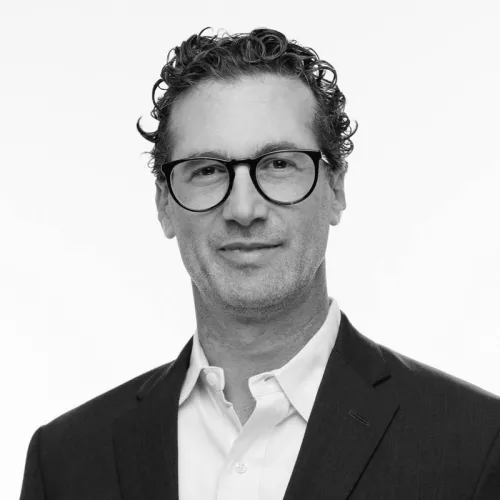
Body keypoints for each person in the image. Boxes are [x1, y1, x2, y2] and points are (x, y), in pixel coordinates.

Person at [20, 27, 500, 500]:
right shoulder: (64, 461)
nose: (244, 209)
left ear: (336, 188)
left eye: (278, 164)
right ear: (164, 204)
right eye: (208, 170)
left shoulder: (478, 444)